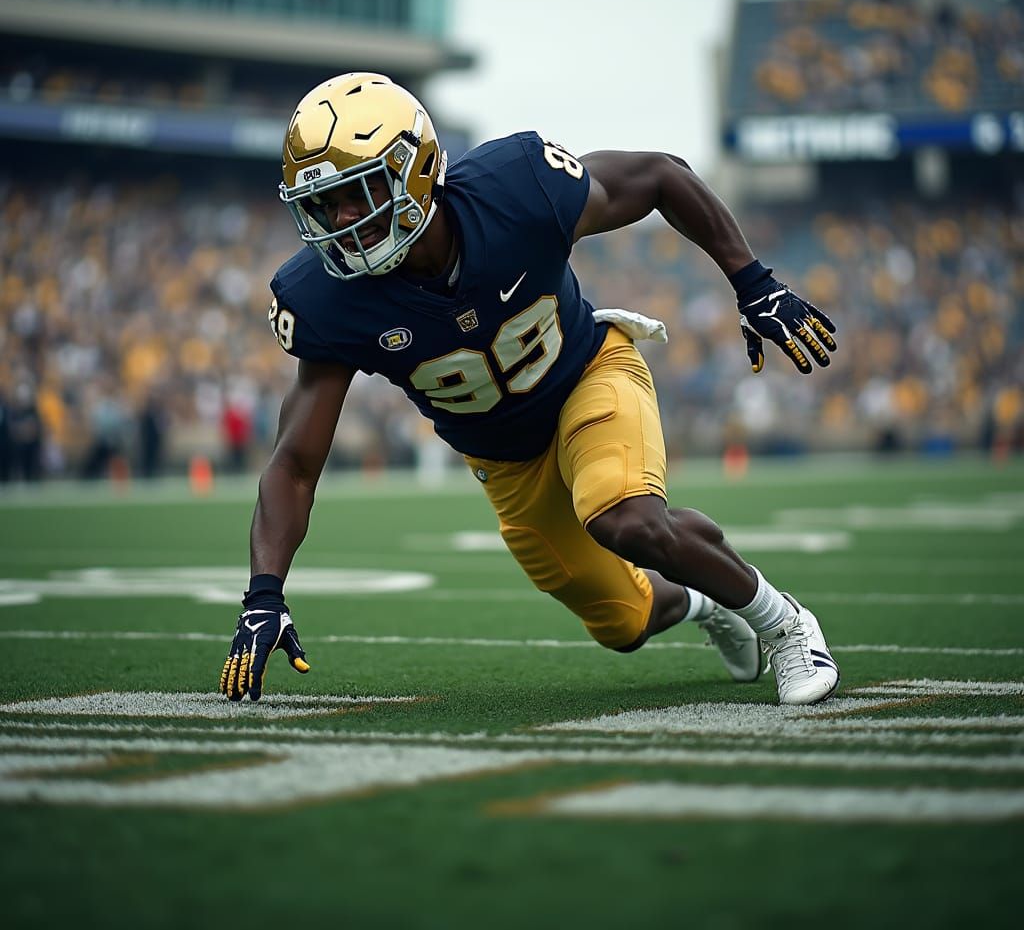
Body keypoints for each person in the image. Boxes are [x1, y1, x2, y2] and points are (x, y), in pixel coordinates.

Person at [219, 72, 840, 707]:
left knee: (624, 518)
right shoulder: (325, 298)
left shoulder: (515, 190)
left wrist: (753, 280)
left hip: (587, 377)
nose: (343, 220)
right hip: (506, 463)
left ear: (414, 171)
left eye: (358, 193)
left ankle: (785, 623)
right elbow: (294, 463)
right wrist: (263, 594)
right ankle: (709, 602)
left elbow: (658, 175)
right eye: (325, 204)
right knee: (623, 623)